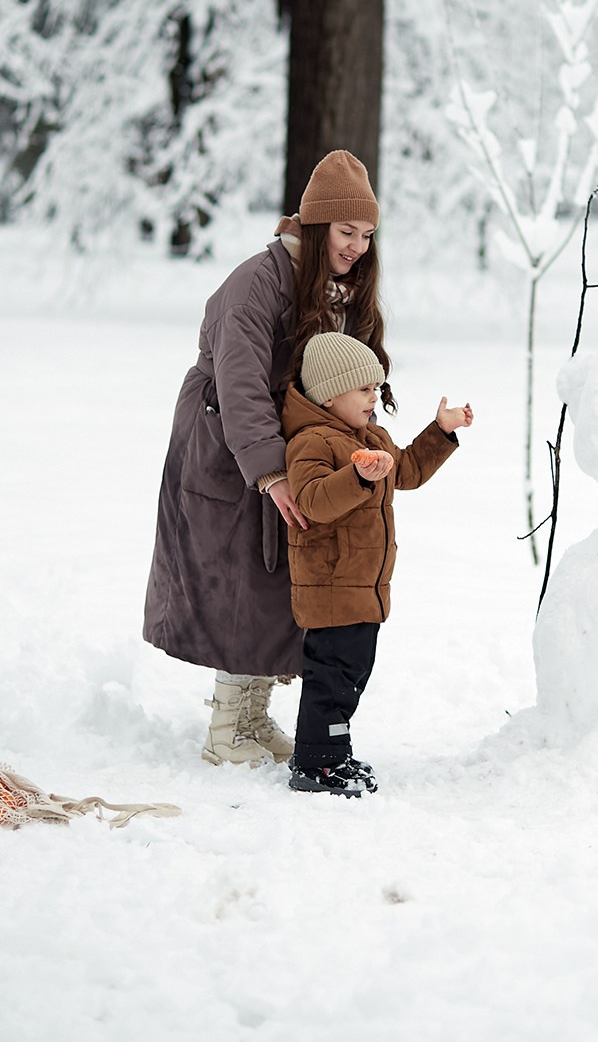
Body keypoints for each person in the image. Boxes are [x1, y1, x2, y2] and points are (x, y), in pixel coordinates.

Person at [143, 150, 393, 768]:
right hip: (225, 440)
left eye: (367, 235)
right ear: (317, 224)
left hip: (279, 443)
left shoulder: (331, 286)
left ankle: (254, 717)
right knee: (241, 576)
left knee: (278, 575)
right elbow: (241, 385)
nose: (357, 246)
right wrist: (271, 471)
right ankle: (226, 727)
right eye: (346, 232)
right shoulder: (257, 282)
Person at [281, 330, 473, 797]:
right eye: (364, 389)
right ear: (330, 394)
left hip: (364, 584)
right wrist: (357, 476)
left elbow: (406, 470)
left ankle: (331, 752)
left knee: (350, 674)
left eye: (377, 388)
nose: (374, 397)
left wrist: (440, 432)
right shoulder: (311, 442)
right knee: (332, 676)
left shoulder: (370, 437)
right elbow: (313, 501)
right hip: (331, 583)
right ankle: (317, 763)